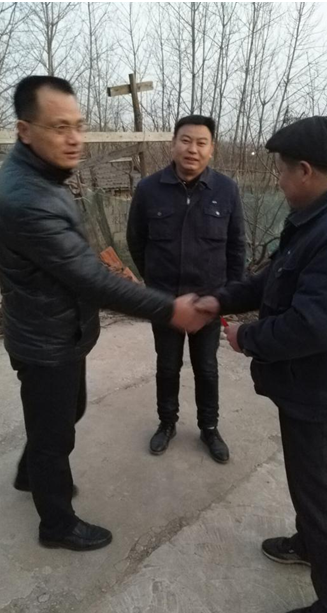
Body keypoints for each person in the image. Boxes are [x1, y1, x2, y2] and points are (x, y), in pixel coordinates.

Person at [0, 76, 210, 552]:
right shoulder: (27, 198)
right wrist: (168, 308)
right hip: (45, 342)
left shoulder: (41, 175)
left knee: (67, 413)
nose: (74, 139)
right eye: (59, 127)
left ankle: (30, 473)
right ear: (24, 130)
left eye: (78, 125)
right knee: (54, 436)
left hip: (59, 331)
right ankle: (56, 525)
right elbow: (90, 278)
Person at [196, 116, 327, 613]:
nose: (278, 180)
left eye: (282, 171)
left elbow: (313, 327)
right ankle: (309, 546)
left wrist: (247, 338)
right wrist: (220, 300)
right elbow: (273, 279)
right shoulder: (317, 218)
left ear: (305, 170)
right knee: (310, 487)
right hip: (307, 389)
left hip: (326, 399)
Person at [126, 115, 246, 463]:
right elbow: (136, 241)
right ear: (173, 144)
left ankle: (209, 428)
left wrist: (227, 297)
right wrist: (155, 285)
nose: (192, 149)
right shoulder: (149, 189)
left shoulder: (226, 190)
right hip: (165, 301)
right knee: (167, 366)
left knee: (206, 368)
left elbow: (236, 246)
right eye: (186, 140)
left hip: (209, 301)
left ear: (212, 149)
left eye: (201, 142)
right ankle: (167, 423)